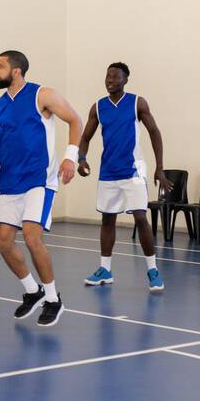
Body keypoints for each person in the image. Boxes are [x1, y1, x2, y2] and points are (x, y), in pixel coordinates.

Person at [0, 50, 83, 326]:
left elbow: (75, 120)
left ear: (17, 70)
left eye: (0, 66)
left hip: (39, 180)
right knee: (2, 241)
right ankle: (32, 291)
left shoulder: (42, 95)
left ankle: (52, 299)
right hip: (10, 183)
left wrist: (70, 157)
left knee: (32, 237)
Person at [76, 62, 169, 291]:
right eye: (107, 76)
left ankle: (153, 270)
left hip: (134, 171)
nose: (110, 80)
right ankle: (105, 270)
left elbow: (154, 132)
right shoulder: (98, 107)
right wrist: (81, 158)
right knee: (108, 219)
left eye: (115, 77)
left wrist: (159, 167)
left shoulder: (137, 102)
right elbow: (86, 137)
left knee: (140, 216)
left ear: (125, 80)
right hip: (108, 172)